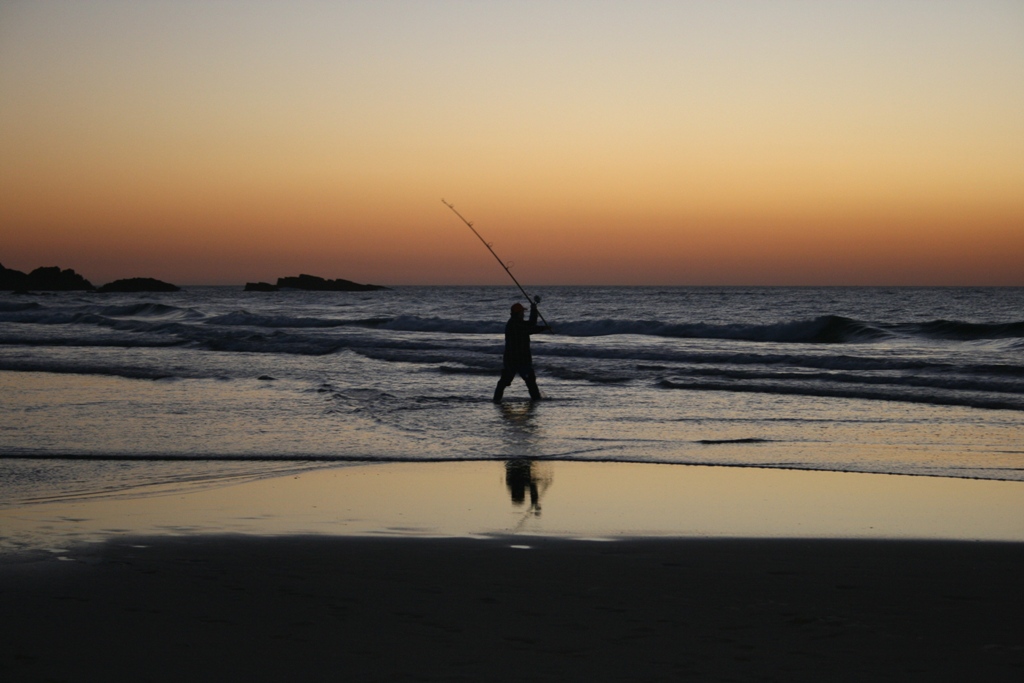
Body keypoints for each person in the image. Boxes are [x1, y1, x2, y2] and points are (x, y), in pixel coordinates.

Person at [493, 296, 551, 403]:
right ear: (518, 313)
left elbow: (530, 324)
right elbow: (530, 328)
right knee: (513, 381)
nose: (523, 314)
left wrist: (534, 309)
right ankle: (497, 401)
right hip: (518, 359)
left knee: (525, 381)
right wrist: (544, 328)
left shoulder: (515, 322)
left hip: (514, 358)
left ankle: (496, 400)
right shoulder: (514, 324)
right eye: (522, 312)